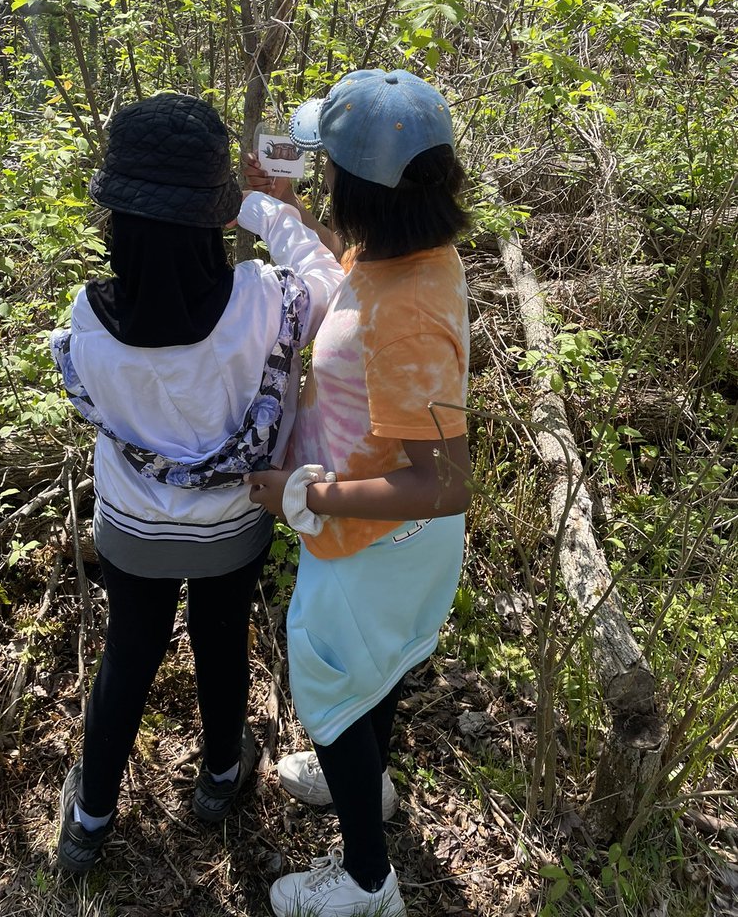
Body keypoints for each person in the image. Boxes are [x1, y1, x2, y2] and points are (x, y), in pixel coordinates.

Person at [49, 93, 343, 873]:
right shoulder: (266, 301)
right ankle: (220, 777)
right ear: (216, 216)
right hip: (233, 524)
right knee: (222, 642)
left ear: (116, 216)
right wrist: (268, 205)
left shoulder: (87, 319)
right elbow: (325, 274)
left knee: (129, 655)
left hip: (134, 530)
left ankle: (90, 818)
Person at [246, 69, 473, 917]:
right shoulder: (402, 251)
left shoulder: (407, 307)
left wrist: (304, 496)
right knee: (371, 678)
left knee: (333, 692)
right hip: (390, 540)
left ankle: (368, 882)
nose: (322, 177)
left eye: (329, 168)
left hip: (378, 541)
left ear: (364, 188)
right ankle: (368, 785)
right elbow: (352, 298)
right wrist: (284, 213)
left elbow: (442, 483)